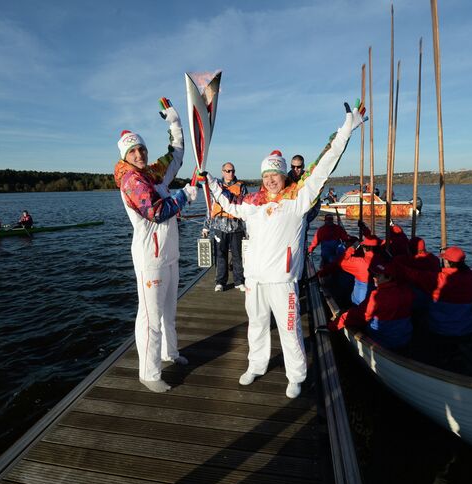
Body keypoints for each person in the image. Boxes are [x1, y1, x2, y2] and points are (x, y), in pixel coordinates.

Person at [203, 102, 364, 399]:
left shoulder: (298, 199)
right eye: (266, 175)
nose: (270, 179)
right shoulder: (252, 204)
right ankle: (256, 364)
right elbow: (228, 204)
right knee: (257, 325)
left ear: (283, 175)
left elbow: (323, 165)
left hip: (283, 280)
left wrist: (344, 132)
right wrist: (210, 182)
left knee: (289, 331)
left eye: (274, 174)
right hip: (255, 280)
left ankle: (296, 375)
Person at [114, 98, 198, 393]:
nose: (139, 154)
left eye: (141, 149)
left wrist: (174, 123)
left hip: (170, 253)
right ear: (125, 156)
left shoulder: (152, 173)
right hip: (150, 258)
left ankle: (170, 353)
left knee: (169, 311)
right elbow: (157, 211)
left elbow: (177, 154)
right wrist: (185, 195)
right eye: (133, 151)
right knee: (150, 318)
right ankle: (149, 374)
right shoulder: (131, 181)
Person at [395, 245, 472, 337]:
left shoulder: (439, 278)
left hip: (439, 328)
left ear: (447, 262)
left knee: (417, 296)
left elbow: (414, 275)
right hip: (467, 327)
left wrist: (396, 266)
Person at [328, 263, 413, 350]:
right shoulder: (407, 291)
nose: (374, 277)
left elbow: (359, 315)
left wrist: (334, 325)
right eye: (374, 274)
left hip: (382, 340)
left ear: (389, 278)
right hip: (404, 338)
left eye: (378, 275)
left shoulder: (376, 296)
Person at [202, 162, 249, 292]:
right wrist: (206, 227)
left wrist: (247, 230)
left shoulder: (242, 186)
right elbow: (210, 207)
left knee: (237, 255)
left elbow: (245, 208)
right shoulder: (215, 187)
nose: (230, 173)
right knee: (220, 254)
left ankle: (239, 281)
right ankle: (220, 282)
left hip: (236, 227)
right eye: (227, 171)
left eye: (232, 171)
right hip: (219, 225)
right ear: (223, 172)